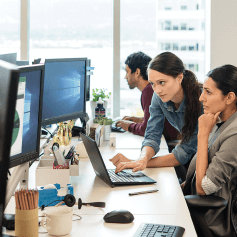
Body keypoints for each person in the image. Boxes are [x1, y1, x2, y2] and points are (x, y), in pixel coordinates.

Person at [110, 52, 202, 173]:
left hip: (213, 162)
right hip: (194, 159)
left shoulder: (201, 100)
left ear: (179, 78)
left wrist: (137, 161)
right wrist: (142, 159)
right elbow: (152, 135)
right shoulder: (158, 97)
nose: (157, 90)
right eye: (153, 83)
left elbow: (183, 153)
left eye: (162, 82)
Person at [183, 65, 237, 237]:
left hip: (217, 218)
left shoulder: (234, 134)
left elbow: (203, 188)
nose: (201, 98)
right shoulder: (219, 120)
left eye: (208, 92)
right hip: (203, 210)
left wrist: (203, 134)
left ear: (229, 97)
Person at [116, 51, 179, 140]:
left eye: (127, 72)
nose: (125, 77)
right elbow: (156, 119)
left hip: (171, 143)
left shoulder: (149, 91)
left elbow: (147, 129)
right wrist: (139, 120)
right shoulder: (149, 89)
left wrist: (129, 126)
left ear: (137, 72)